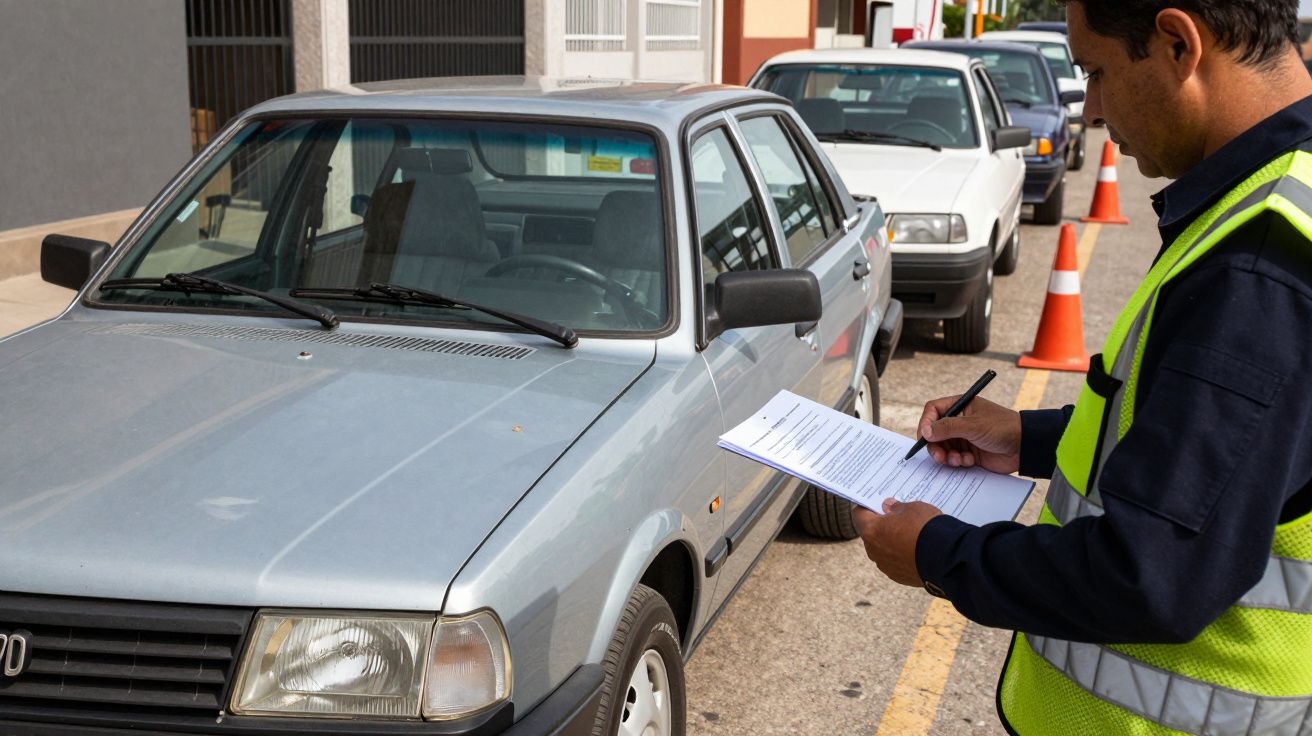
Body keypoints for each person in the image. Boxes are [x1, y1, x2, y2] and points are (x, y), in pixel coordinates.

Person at [854, 1, 1312, 733]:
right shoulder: (1284, 196)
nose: (1091, 108)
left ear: (1177, 43)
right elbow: (1219, 449)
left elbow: (1152, 575)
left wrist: (939, 551)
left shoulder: (1258, 268)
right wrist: (1025, 436)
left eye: (1097, 71)